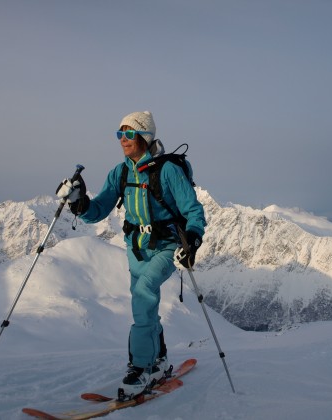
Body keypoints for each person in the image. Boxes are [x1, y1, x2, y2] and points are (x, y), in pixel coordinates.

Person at [56, 111, 206, 398]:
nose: (122, 140)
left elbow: (192, 209)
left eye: (128, 134)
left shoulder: (168, 171)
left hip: (164, 245)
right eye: (119, 134)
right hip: (135, 247)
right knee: (145, 303)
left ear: (144, 136)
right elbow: (98, 210)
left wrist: (194, 238)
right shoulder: (120, 172)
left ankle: (141, 368)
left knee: (144, 291)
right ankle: (158, 359)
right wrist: (79, 203)